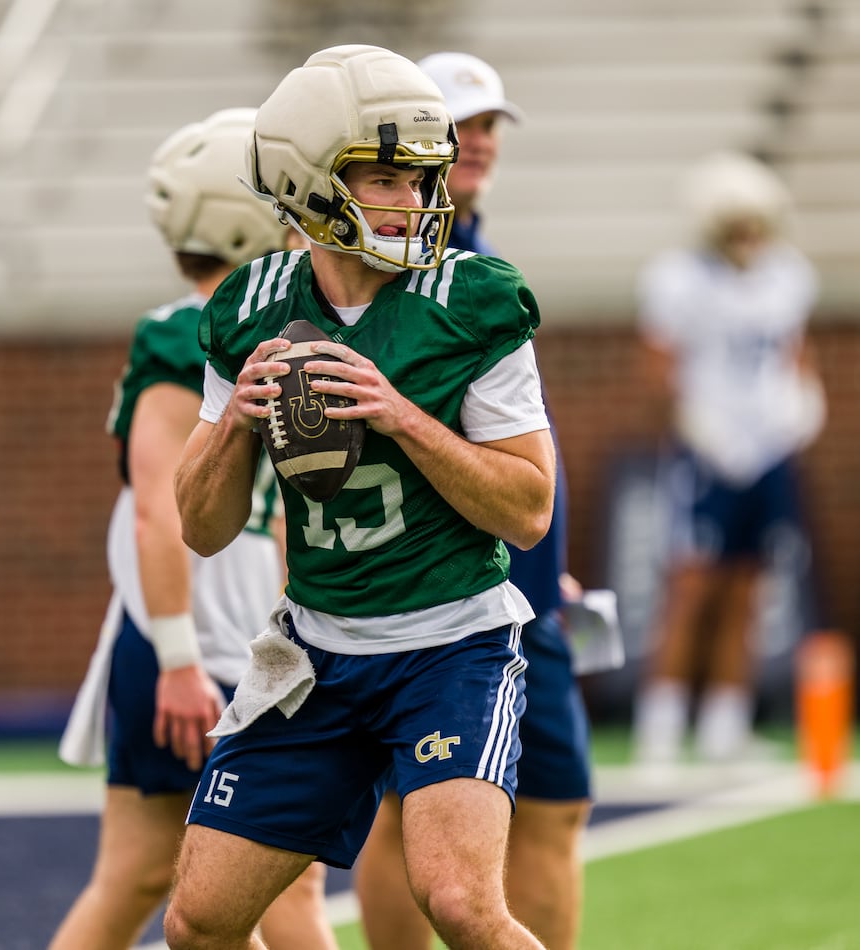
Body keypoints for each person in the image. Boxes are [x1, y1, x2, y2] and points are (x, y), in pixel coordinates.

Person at [165, 44, 557, 950]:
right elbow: (201, 525)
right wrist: (236, 426)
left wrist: (403, 417)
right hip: (317, 651)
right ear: (306, 181)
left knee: (460, 903)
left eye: (422, 179)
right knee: (198, 922)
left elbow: (528, 509)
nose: (415, 202)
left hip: (448, 644)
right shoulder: (250, 308)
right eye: (384, 177)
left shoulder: (471, 301)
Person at [50, 108, 336, 950]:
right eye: (285, 208)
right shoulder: (188, 338)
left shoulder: (273, 325)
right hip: (197, 643)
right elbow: (156, 507)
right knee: (279, 886)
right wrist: (178, 659)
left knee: (162, 880)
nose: (301, 225)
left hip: (235, 637)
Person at [352, 51, 592, 950]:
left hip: (527, 583)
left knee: (558, 806)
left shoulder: (478, 252)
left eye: (490, 123)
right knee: (405, 818)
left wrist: (550, 559)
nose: (481, 141)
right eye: (461, 125)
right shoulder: (398, 263)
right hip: (439, 600)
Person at [632, 150, 826, 765]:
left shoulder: (785, 274)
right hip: (708, 452)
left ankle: (724, 723)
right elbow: (659, 367)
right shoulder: (680, 279)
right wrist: (695, 425)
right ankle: (660, 724)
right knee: (691, 587)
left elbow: (796, 355)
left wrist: (802, 405)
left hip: (768, 451)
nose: (748, 237)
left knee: (750, 589)